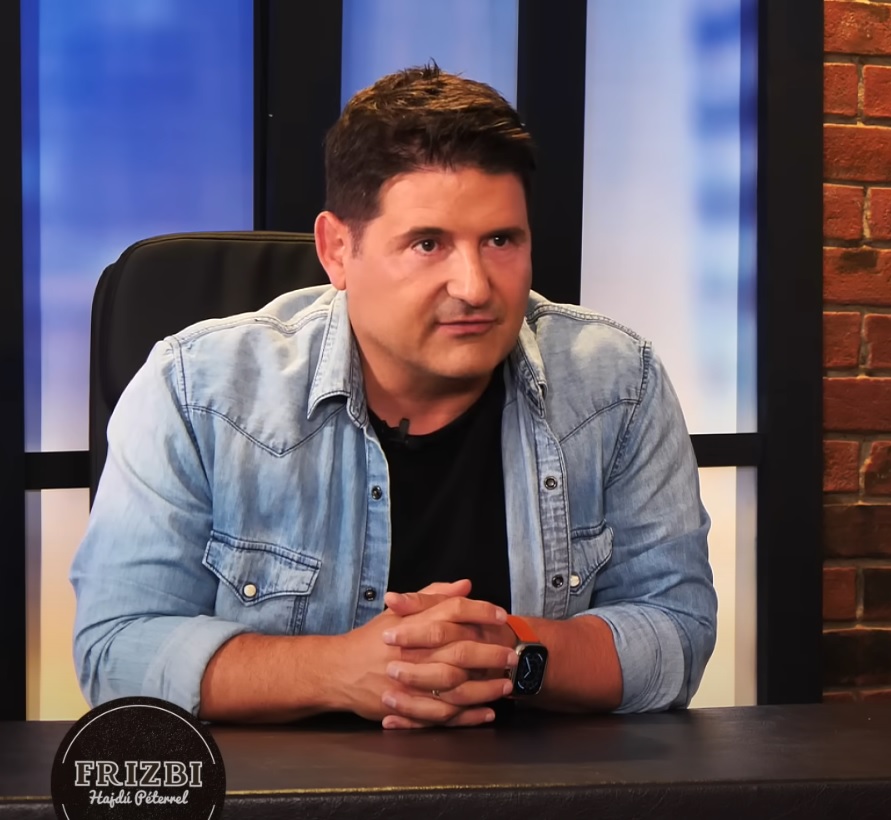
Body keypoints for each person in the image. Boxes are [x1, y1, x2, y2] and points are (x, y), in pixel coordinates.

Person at [70, 65, 718, 730]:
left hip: (535, 780)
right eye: (428, 244)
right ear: (337, 250)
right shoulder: (196, 389)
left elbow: (678, 628)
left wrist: (509, 653)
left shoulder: (619, 383)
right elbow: (118, 647)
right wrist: (341, 670)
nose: (474, 287)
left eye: (500, 240)